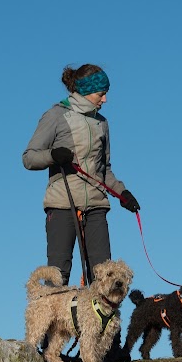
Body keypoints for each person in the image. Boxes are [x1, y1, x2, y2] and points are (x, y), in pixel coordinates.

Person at [22, 64, 140, 286]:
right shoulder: (55, 115)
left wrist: (123, 193)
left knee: (104, 278)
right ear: (86, 91)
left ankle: (99, 321)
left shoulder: (102, 123)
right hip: (62, 203)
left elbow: (104, 169)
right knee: (57, 277)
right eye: (101, 94)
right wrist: (54, 155)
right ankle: (54, 321)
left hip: (96, 206)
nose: (105, 100)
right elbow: (29, 158)